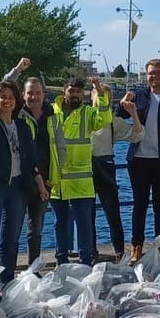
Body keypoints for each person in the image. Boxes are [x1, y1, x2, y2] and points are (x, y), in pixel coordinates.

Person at [0, 76, 43, 286]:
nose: (7, 101)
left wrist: (38, 182)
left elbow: (30, 157)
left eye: (11, 97)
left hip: (17, 187)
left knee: (11, 238)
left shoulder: (22, 126)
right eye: (2, 97)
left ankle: (7, 281)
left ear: (16, 100)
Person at [47, 75, 115, 266]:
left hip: (81, 178)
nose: (75, 95)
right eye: (71, 91)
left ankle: (85, 262)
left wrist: (99, 92)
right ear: (64, 92)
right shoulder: (52, 112)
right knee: (60, 223)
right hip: (57, 177)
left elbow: (105, 118)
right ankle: (61, 261)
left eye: (79, 92)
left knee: (84, 223)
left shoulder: (88, 113)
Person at [118, 56, 160, 263]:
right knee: (139, 205)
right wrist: (122, 103)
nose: (154, 76)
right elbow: (119, 115)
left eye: (158, 72)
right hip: (139, 160)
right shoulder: (139, 96)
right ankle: (136, 247)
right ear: (146, 75)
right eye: (151, 73)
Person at [90, 86, 143, 261]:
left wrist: (133, 114)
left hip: (106, 165)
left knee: (112, 212)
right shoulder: (83, 117)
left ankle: (119, 252)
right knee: (86, 213)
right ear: (92, 97)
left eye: (106, 96)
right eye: (99, 95)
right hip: (84, 167)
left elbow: (138, 135)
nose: (102, 99)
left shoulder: (113, 121)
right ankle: (90, 251)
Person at [18, 73, 55, 266]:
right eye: (30, 93)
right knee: (13, 229)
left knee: (36, 228)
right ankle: (9, 273)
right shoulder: (17, 116)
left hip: (46, 180)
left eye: (38, 93)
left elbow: (60, 147)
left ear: (44, 94)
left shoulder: (52, 116)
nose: (34, 97)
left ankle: (34, 268)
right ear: (23, 95)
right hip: (21, 180)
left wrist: (54, 177)